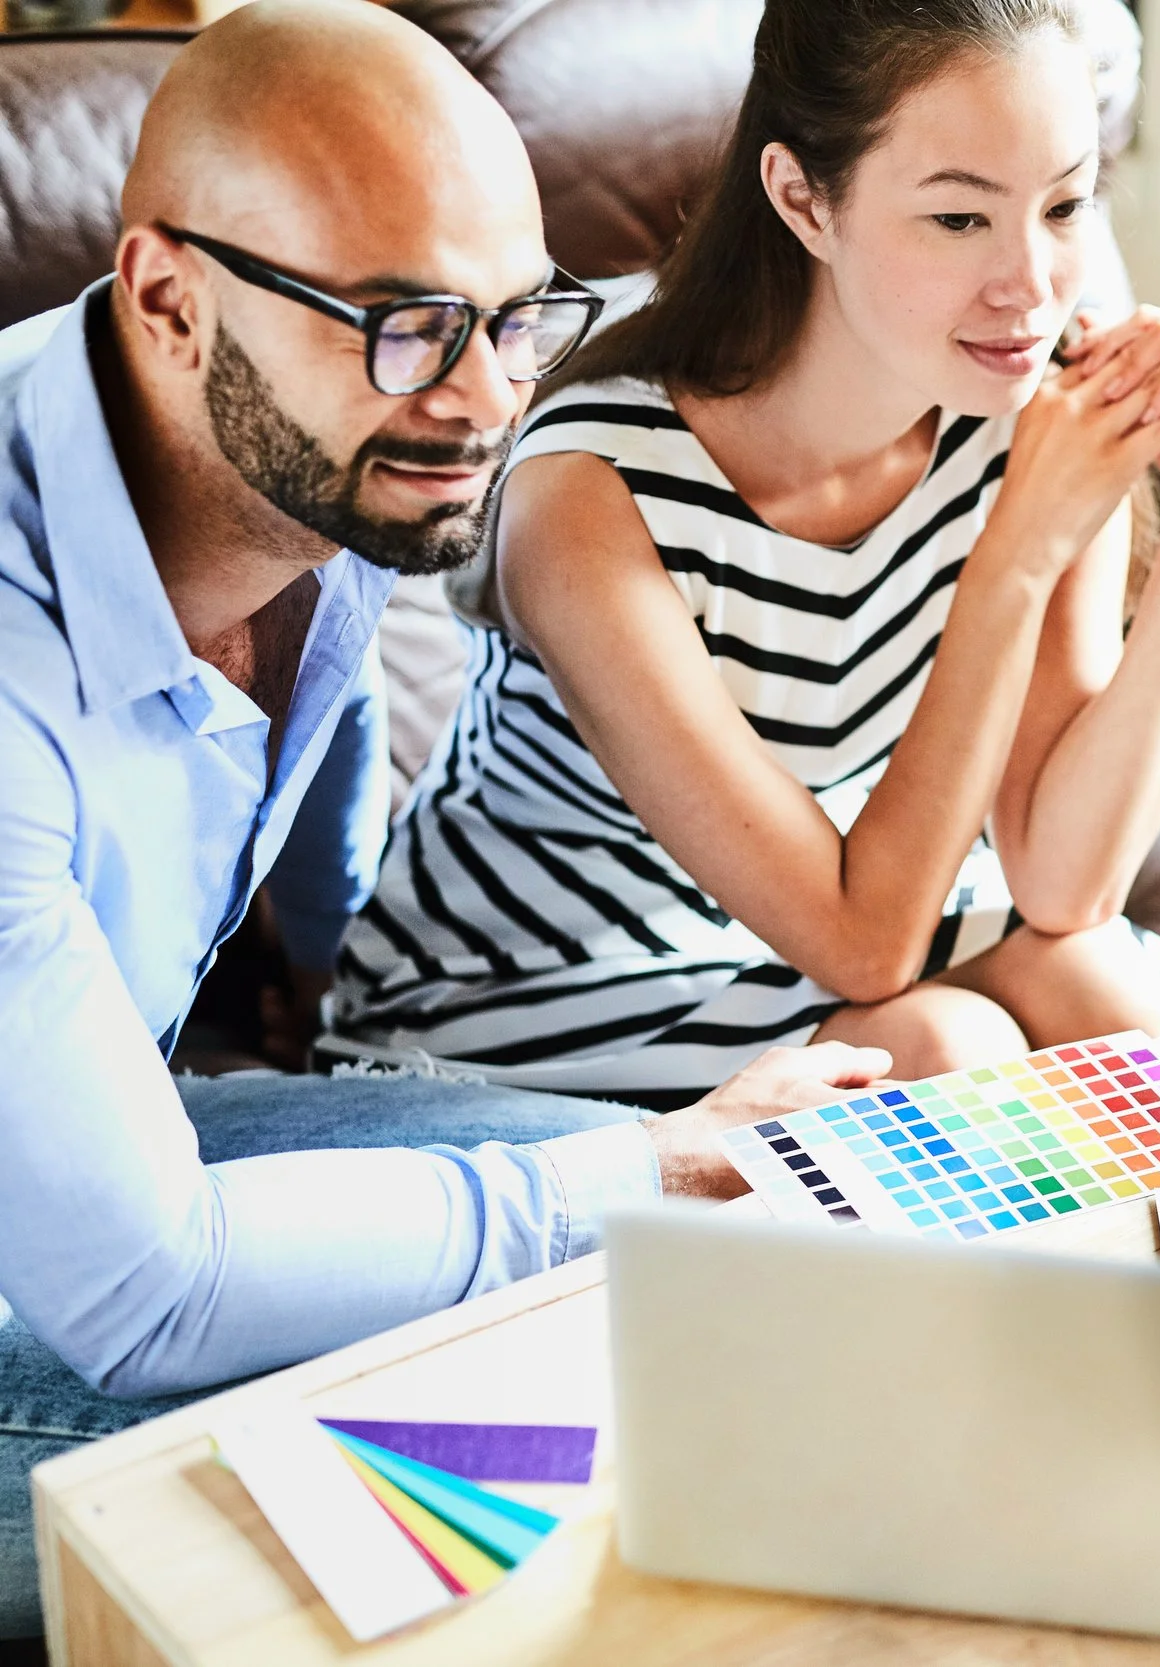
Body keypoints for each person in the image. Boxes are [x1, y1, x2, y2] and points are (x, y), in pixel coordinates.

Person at [0, 4, 889, 1637]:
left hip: (94, 1131)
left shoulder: (313, 469)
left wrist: (544, 1096)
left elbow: (329, 857)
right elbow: (148, 1290)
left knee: (697, 1238)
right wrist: (630, 1163)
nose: (489, 398)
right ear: (167, 300)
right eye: (407, 321)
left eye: (518, 317)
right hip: (95, 1254)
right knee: (572, 1342)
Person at [321, 0, 1160, 1106]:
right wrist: (1017, 553)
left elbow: (1066, 882)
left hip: (814, 913)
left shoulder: (1024, 402)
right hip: (532, 973)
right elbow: (864, 953)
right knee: (943, 1055)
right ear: (803, 199)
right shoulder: (590, 491)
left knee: (1107, 994)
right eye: (960, 220)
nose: (1033, 283)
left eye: (1063, 205)